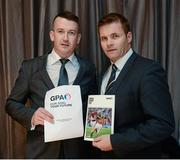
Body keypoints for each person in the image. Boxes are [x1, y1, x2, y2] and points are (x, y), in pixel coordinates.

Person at [5, 11, 97, 158]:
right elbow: (11, 103)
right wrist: (32, 115)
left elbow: (94, 106)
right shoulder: (31, 67)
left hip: (79, 152)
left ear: (78, 38)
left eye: (71, 33)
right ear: (52, 35)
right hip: (41, 152)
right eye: (61, 31)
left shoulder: (88, 68)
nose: (65, 38)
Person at [92, 12, 175, 158]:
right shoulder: (103, 76)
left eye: (115, 36)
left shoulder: (148, 70)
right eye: (104, 38)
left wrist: (115, 141)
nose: (109, 43)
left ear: (128, 37)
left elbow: (162, 125)